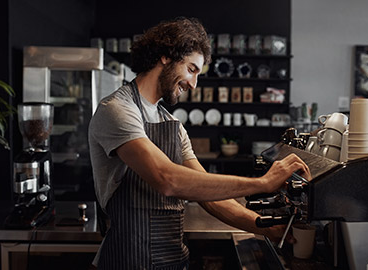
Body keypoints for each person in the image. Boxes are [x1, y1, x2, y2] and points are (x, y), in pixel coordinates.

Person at [88, 17, 311, 270]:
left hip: (172, 261)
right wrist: (261, 183)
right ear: (166, 56)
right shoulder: (117, 110)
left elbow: (210, 197)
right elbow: (167, 179)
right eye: (192, 69)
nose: (193, 84)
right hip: (127, 261)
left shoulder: (172, 124)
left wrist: (268, 228)